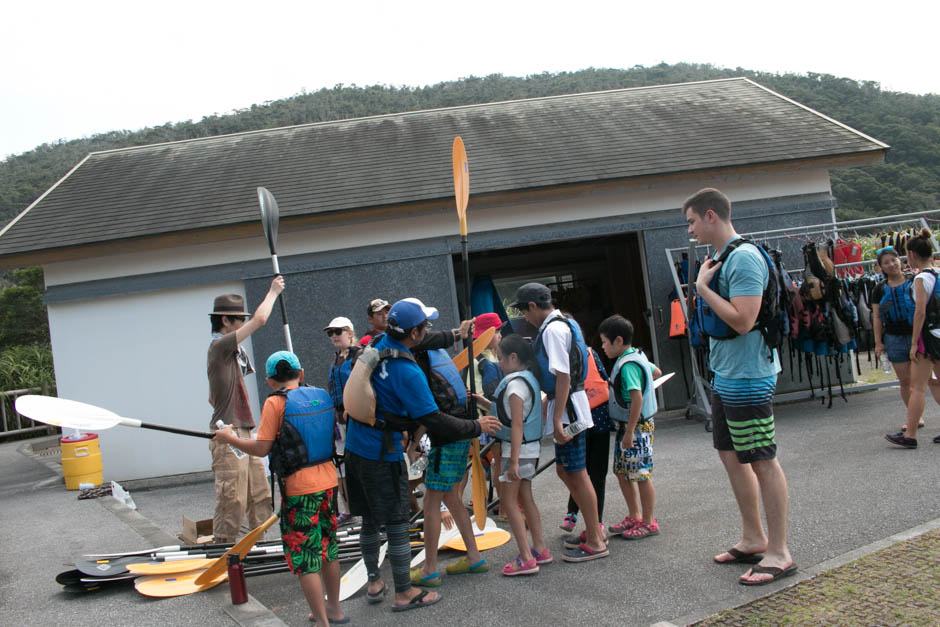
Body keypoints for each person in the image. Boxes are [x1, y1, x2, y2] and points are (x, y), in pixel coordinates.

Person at [343, 298, 500, 612]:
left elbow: (427, 340)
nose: (427, 331)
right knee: (398, 522)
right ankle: (404, 592)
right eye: (424, 327)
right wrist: (476, 425)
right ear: (413, 333)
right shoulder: (408, 372)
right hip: (382, 451)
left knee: (370, 519)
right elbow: (435, 419)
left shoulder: (378, 343)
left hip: (354, 446)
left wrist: (456, 334)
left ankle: (375, 582)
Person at [684, 187, 795, 585]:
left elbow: (744, 320)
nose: (690, 230)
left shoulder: (744, 258)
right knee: (730, 454)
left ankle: (779, 552)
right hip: (727, 374)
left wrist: (702, 289)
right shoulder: (721, 258)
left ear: (711, 215)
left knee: (762, 459)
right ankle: (753, 538)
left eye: (692, 222)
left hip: (749, 376)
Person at [213, 351, 345, 626]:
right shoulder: (322, 395)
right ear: (301, 373)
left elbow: (262, 448)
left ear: (270, 381)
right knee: (328, 548)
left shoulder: (275, 403)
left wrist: (229, 438)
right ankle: (334, 610)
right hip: (329, 483)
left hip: (299, 489)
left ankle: (322, 622)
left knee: (305, 555)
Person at [510, 283, 608, 563]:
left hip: (569, 410)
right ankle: (593, 531)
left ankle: (595, 539)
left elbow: (563, 376)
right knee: (566, 471)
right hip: (570, 405)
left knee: (577, 473)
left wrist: (556, 418)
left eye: (524, 311)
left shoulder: (552, 330)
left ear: (532, 306)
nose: (525, 318)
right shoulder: (566, 322)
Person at [408, 315, 493, 586]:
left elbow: (429, 409)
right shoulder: (439, 353)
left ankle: (429, 570)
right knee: (452, 498)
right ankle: (474, 557)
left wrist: (413, 443)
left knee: (431, 503)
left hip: (446, 437)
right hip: (460, 433)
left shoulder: (420, 358)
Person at [206, 277, 284, 544]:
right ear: (225, 321)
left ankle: (260, 547)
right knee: (233, 499)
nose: (243, 324)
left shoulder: (231, 353)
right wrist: (273, 291)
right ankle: (224, 552)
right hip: (229, 430)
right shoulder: (219, 346)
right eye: (239, 319)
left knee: (259, 495)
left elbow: (211, 397)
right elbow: (260, 320)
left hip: (246, 430)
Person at [473, 334, 551, 575]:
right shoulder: (527, 380)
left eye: (501, 358)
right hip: (530, 449)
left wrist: (513, 461)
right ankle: (540, 549)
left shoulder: (515, 385)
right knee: (526, 498)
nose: (499, 363)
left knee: (509, 502)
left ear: (514, 358)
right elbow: (510, 414)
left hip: (515, 451)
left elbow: (516, 424)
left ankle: (526, 558)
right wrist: (481, 401)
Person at [599, 315, 662, 539]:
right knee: (622, 472)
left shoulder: (628, 366)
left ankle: (648, 522)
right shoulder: (637, 355)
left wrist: (629, 432)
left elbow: (637, 399)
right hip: (629, 426)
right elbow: (656, 372)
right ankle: (635, 515)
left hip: (635, 428)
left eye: (604, 342)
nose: (603, 347)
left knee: (641, 474)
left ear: (618, 340)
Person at [886, 229, 940, 448]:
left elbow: (920, 313)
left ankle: (910, 435)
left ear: (912, 255)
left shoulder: (920, 278)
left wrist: (914, 342)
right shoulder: (938, 273)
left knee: (917, 387)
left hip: (928, 337)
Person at [871, 247, 925, 432]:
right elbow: (877, 317)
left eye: (893, 260)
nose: (891, 265)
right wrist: (878, 342)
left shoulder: (914, 280)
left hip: (918, 334)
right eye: (886, 263)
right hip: (894, 338)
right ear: (881, 268)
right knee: (905, 381)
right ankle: (914, 418)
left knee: (928, 380)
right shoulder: (879, 289)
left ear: (900, 261)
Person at [562, 346, 611, 533]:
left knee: (578, 472)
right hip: (600, 419)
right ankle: (597, 521)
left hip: (576, 421)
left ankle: (572, 513)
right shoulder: (590, 352)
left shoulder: (559, 357)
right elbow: (604, 377)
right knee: (596, 475)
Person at [464, 312, 505, 519]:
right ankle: (503, 506)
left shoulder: (488, 357)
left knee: (488, 464)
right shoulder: (479, 361)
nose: (500, 335)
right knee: (495, 463)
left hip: (487, 418)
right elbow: (479, 394)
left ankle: (495, 502)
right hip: (487, 420)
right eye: (497, 332)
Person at [325, 316, 361, 525]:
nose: (334, 336)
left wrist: (353, 407)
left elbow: (364, 384)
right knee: (341, 464)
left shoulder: (359, 355)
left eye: (338, 331)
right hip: (338, 419)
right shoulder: (336, 358)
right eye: (331, 333)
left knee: (360, 462)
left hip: (356, 418)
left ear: (350, 332)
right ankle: (348, 509)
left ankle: (367, 507)